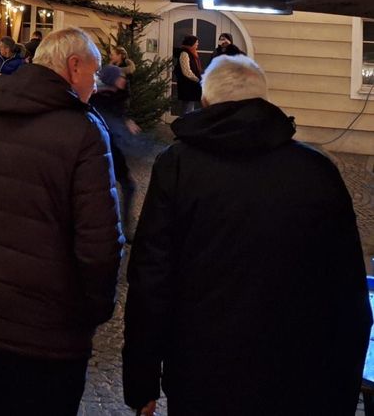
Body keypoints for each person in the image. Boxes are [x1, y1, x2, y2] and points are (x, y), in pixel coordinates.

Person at [123, 54, 372, 416]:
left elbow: (150, 276)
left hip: (203, 373)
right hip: (297, 374)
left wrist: (142, 378)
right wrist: (343, 386)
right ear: (264, 100)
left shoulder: (178, 166)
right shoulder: (316, 170)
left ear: (206, 102)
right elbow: (347, 289)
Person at [0, 27, 123, 416]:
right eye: (93, 74)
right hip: (52, 328)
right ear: (73, 67)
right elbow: (100, 245)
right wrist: (95, 311)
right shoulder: (84, 130)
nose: (95, 84)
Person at [91, 65, 140, 239]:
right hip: (102, 151)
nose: (123, 79)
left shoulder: (118, 94)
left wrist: (126, 121)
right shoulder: (96, 98)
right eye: (120, 76)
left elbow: (118, 113)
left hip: (115, 151)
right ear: (111, 80)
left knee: (129, 186)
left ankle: (126, 227)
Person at [173, 34, 201, 113]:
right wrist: (197, 79)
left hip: (191, 85)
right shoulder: (184, 54)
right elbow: (186, 71)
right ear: (191, 44)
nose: (197, 44)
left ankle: (186, 123)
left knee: (189, 106)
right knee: (187, 108)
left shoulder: (192, 53)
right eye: (196, 43)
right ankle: (185, 124)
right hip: (187, 85)